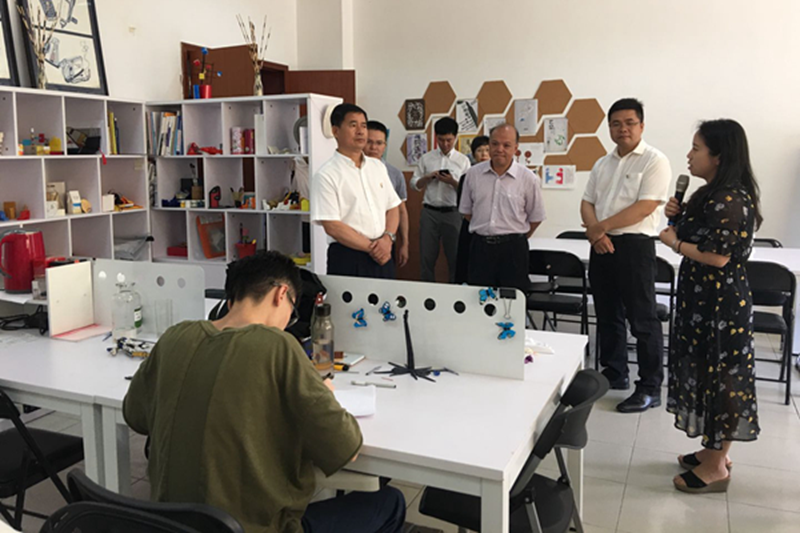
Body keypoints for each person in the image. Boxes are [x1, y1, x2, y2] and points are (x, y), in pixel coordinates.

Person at [123, 251, 406, 532]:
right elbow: (346, 446)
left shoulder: (175, 336)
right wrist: (326, 394)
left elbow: (135, 415)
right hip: (250, 528)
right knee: (389, 502)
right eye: (292, 313)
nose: (287, 323)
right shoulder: (278, 346)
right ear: (281, 294)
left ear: (231, 298)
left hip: (171, 526)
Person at [660, 119, 762, 494]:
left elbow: (718, 257)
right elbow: (699, 235)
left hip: (721, 307)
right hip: (703, 301)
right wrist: (678, 215)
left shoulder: (730, 199)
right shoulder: (710, 193)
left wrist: (674, 242)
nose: (689, 155)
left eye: (696, 148)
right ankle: (711, 450)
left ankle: (717, 465)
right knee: (707, 373)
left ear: (718, 156)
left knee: (723, 380)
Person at [580, 98, 671, 413]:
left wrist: (599, 228)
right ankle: (615, 373)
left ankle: (649, 387)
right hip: (601, 247)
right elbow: (587, 202)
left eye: (630, 123)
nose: (623, 129)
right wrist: (597, 233)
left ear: (641, 125)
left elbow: (645, 206)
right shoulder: (602, 163)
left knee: (642, 320)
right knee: (608, 315)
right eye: (616, 124)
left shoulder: (654, 160)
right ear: (609, 128)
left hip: (634, 246)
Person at [311, 104, 401, 279]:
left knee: (386, 297)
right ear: (336, 131)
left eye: (364, 125)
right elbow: (332, 226)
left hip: (384, 251)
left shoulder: (377, 166)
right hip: (349, 256)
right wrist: (373, 248)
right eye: (353, 125)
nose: (360, 131)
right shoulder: (326, 175)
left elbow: (393, 207)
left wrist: (387, 239)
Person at [460, 124, 546, 291]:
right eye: (495, 144)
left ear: (515, 148)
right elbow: (467, 212)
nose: (499, 149)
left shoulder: (528, 178)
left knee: (512, 301)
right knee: (479, 299)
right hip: (480, 249)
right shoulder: (473, 174)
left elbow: (536, 217)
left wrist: (513, 236)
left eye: (506, 145)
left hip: (513, 250)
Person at [410, 117, 470, 282]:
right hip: (430, 212)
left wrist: (452, 182)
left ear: (455, 137)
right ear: (436, 137)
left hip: (453, 213)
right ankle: (426, 292)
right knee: (426, 257)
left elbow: (468, 190)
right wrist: (427, 177)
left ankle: (455, 292)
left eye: (449, 140)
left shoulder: (463, 161)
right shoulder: (426, 158)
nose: (445, 144)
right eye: (441, 140)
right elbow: (414, 184)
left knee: (455, 258)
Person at [365, 120, 410, 269]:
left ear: (385, 146)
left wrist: (405, 243)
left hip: (386, 241)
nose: (373, 148)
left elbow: (401, 211)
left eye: (379, 143)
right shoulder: (350, 171)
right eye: (369, 142)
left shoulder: (394, 174)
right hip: (357, 241)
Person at [455, 135, 490, 284]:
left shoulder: (498, 176)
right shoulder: (467, 177)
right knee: (467, 267)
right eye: (479, 150)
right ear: (473, 154)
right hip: (471, 227)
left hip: (492, 228)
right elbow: (463, 206)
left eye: (487, 150)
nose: (484, 154)